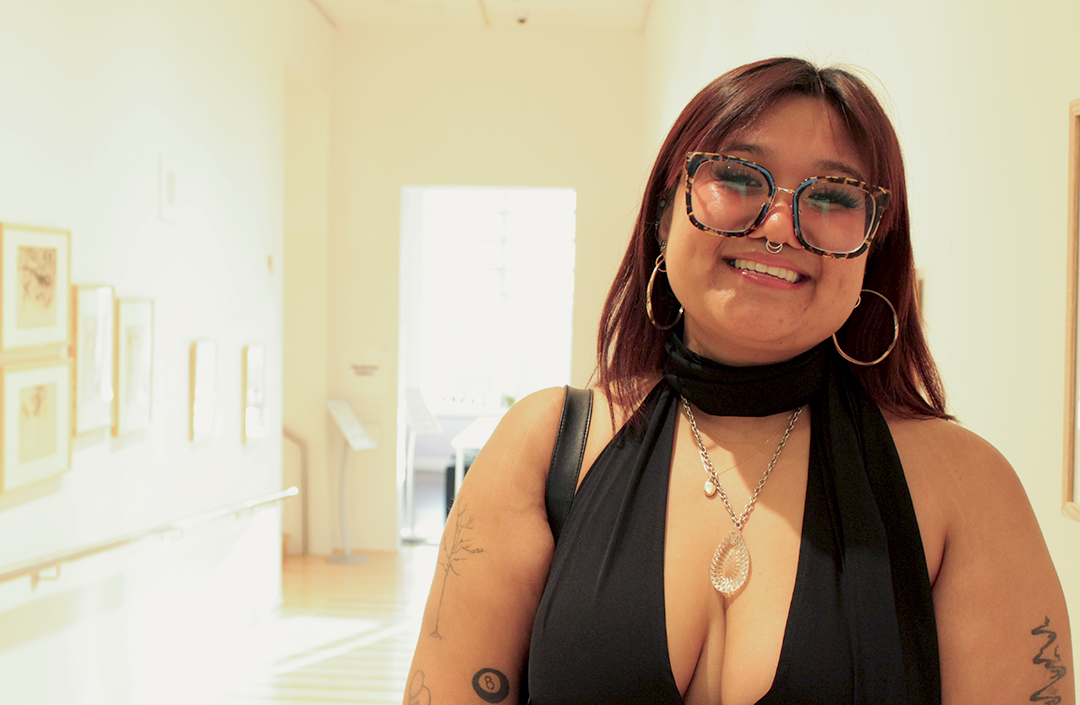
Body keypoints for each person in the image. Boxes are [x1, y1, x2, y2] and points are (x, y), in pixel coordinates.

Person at [403, 57, 1074, 705]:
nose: (779, 226)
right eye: (739, 176)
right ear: (665, 215)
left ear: (874, 248)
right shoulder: (545, 446)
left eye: (835, 194)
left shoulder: (965, 485)